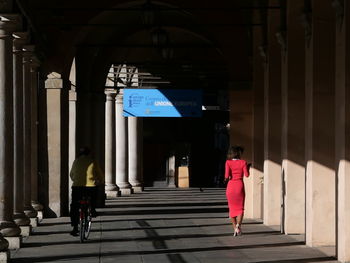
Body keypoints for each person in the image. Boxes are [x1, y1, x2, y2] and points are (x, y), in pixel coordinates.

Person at [69, 147, 104, 236]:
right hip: (90, 186)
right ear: (89, 154)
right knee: (93, 196)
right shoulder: (92, 161)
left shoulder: (76, 161)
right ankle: (92, 209)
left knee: (74, 206)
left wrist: (76, 180)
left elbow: (71, 174)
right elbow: (100, 174)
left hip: (77, 186)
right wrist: (100, 181)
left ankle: (75, 227)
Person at [224, 145, 250, 236]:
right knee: (240, 209)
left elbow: (226, 176)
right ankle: (239, 225)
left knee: (232, 209)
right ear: (238, 153)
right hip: (239, 185)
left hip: (231, 186)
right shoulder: (243, 162)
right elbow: (247, 175)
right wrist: (248, 168)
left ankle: (235, 228)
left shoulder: (228, 162)